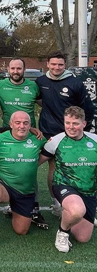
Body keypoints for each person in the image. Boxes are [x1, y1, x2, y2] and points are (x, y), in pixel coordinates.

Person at [36, 52, 95, 221]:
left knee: (69, 168)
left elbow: (86, 110)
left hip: (69, 133)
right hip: (47, 132)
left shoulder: (75, 83)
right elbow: (38, 99)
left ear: (65, 65)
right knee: (43, 166)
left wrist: (84, 131)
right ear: (47, 64)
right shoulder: (41, 82)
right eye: (53, 64)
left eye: (60, 64)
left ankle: (74, 202)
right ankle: (52, 202)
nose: (56, 67)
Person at [0, 111, 46, 250]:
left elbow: (51, 152)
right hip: (5, 185)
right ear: (10, 124)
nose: (21, 126)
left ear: (30, 125)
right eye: (17, 122)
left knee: (21, 231)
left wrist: (34, 164)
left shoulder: (38, 139)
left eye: (25, 123)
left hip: (26, 191)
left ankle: (14, 208)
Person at [42, 106, 97, 253]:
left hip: (89, 190)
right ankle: (62, 232)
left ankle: (71, 214)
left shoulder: (94, 140)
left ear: (84, 124)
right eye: (68, 123)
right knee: (77, 210)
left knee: (83, 237)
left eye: (75, 123)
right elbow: (35, 161)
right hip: (64, 185)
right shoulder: (56, 141)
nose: (71, 127)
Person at [0, 58, 41, 127]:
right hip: (8, 130)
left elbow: (45, 103)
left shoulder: (33, 86)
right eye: (12, 68)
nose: (15, 71)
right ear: (8, 69)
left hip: (30, 131)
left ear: (24, 69)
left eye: (19, 68)